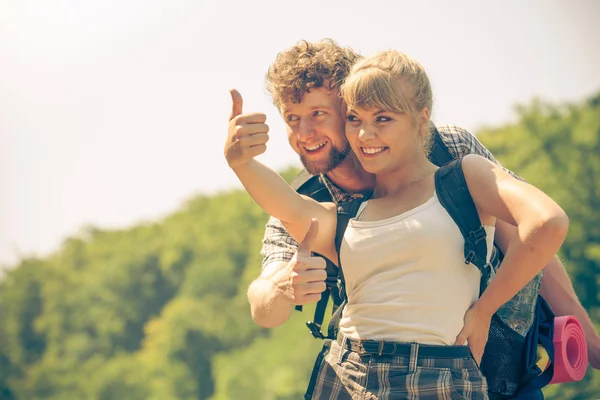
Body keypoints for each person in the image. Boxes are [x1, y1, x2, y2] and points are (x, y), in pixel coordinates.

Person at [229, 41, 600, 376]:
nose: (304, 133)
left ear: (352, 105)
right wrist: (281, 288)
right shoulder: (303, 200)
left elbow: (530, 238)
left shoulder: (447, 149)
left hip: (501, 366)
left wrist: (591, 345)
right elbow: (263, 305)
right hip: (376, 377)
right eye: (292, 118)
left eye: (318, 114)